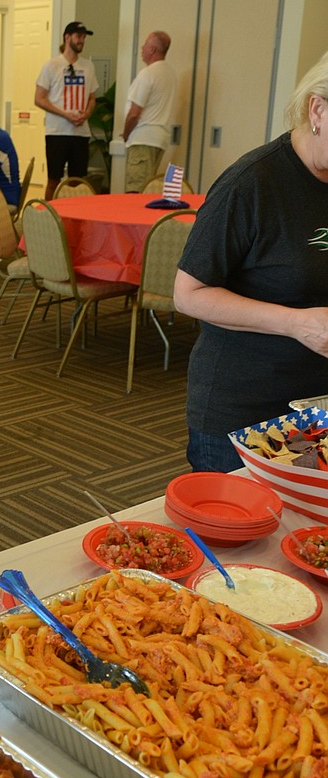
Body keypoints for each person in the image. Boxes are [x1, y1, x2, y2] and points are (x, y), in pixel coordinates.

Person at [173, 51, 328, 474]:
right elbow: (188, 295)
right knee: (241, 535)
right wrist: (296, 323)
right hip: (245, 408)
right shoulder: (252, 183)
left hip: (317, 408)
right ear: (317, 108)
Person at [34, 21, 99, 199]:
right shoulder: (52, 65)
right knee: (54, 179)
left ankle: (75, 217)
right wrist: (65, 114)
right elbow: (39, 98)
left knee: (77, 182)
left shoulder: (88, 66)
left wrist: (87, 113)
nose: (82, 41)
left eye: (84, 38)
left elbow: (93, 98)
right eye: (79, 37)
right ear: (67, 37)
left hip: (80, 133)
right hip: (58, 132)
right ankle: (48, 214)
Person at [121, 32, 176, 192]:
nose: (142, 48)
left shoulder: (148, 74)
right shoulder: (169, 73)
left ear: (152, 49)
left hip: (142, 140)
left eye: (145, 45)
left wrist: (125, 134)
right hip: (159, 139)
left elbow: (134, 113)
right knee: (149, 190)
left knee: (136, 190)